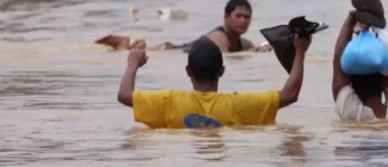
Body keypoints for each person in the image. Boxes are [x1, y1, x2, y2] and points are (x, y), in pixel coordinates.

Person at [117, 34, 310, 129]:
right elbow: (290, 94)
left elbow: (124, 95)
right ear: (222, 71)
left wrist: (133, 64)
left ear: (187, 71)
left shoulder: (170, 101)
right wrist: (300, 51)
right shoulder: (238, 105)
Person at [331, 0, 388, 121]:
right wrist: (374, 31)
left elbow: (338, 67)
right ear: (382, 79)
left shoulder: (353, 113)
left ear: (351, 84)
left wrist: (351, 19)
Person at [96, 0, 259, 53]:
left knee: (141, 49)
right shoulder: (219, 38)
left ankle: (128, 44)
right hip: (175, 52)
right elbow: (226, 59)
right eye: (238, 16)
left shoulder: (243, 42)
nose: (243, 21)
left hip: (173, 48)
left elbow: (249, 50)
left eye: (247, 17)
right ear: (226, 17)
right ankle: (123, 45)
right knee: (127, 53)